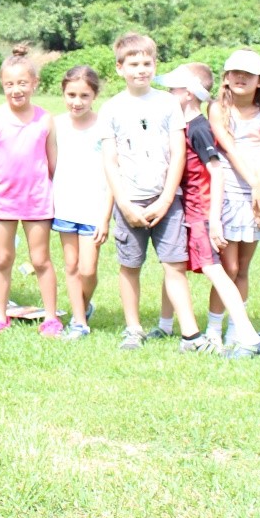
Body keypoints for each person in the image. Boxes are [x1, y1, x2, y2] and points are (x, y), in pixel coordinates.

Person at [99, 33, 212, 353]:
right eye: (133, 64)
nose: (141, 69)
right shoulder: (112, 108)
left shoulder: (167, 103)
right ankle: (133, 328)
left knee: (174, 265)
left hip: (167, 201)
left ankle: (190, 334)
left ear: (155, 65)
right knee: (130, 266)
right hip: (129, 200)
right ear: (120, 68)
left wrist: (165, 199)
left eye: (147, 63)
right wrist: (124, 202)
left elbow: (178, 153)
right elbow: (110, 159)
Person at [156, 64, 260, 359]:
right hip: (194, 212)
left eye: (172, 90)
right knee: (201, 271)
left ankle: (247, 335)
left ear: (188, 93)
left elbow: (216, 172)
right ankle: (170, 325)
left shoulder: (199, 129)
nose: (168, 95)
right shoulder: (186, 126)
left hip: (202, 213)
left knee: (216, 272)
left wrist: (214, 220)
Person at [0, 45, 60, 336]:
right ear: (2, 85)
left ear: (34, 84)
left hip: (37, 202)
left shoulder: (45, 119)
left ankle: (51, 317)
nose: (16, 90)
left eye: (22, 83)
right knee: (2, 259)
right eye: (10, 84)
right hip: (2, 203)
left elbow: (52, 164)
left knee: (40, 260)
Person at [208, 48, 260, 334]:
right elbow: (230, 148)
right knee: (229, 267)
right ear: (226, 78)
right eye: (235, 73)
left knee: (244, 267)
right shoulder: (218, 109)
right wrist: (256, 185)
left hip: (255, 194)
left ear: (259, 81)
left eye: (248, 74)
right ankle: (214, 326)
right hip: (228, 190)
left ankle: (236, 328)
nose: (241, 78)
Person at [51, 66, 112, 341]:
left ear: (94, 95)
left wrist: (105, 216)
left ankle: (84, 305)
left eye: (84, 95)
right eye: (71, 94)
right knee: (71, 266)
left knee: (88, 269)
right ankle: (79, 322)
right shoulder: (55, 125)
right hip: (64, 205)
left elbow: (113, 174)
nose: (77, 101)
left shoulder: (104, 126)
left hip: (94, 208)